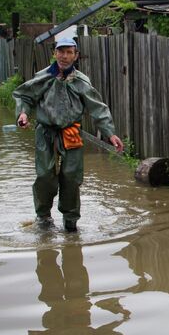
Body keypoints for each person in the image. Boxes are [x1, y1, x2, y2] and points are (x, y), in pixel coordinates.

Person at [13, 36, 124, 232]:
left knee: (71, 177)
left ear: (76, 55)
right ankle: (43, 217)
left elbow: (98, 108)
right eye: (61, 51)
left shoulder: (81, 81)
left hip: (71, 133)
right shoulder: (43, 76)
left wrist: (110, 134)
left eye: (69, 52)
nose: (64, 56)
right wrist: (22, 113)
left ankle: (71, 222)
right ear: (54, 53)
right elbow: (24, 95)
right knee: (45, 175)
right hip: (45, 133)